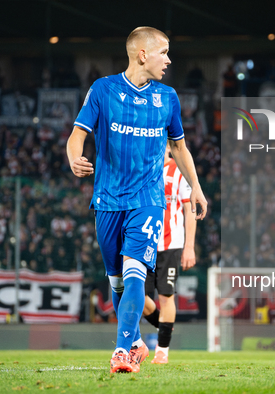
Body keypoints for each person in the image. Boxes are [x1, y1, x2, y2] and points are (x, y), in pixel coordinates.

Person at [67, 26, 207, 374]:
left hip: (147, 200)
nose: (169, 59)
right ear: (142, 54)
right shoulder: (103, 90)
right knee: (116, 281)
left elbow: (179, 147)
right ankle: (134, 341)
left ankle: (121, 350)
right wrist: (73, 156)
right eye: (164, 52)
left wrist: (197, 188)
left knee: (133, 275)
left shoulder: (168, 97)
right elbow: (78, 134)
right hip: (108, 200)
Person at [142, 145, 197, 364]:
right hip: (144, 243)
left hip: (171, 244)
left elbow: (189, 210)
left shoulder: (179, 171)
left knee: (166, 297)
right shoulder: (143, 169)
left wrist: (189, 246)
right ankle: (166, 326)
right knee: (139, 297)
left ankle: (162, 351)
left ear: (168, 147)